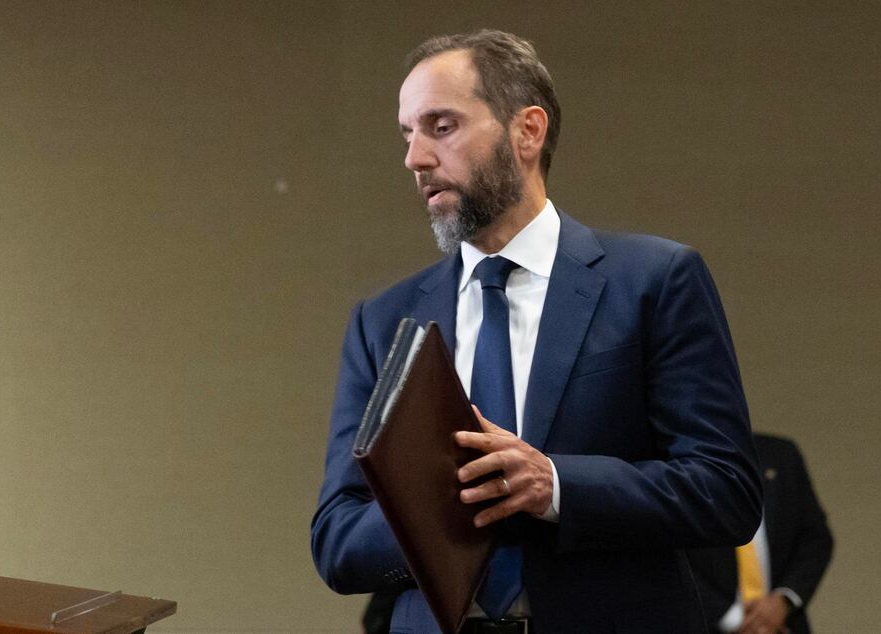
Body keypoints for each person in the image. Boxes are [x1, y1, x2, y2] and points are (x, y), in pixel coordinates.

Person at [311, 29, 763, 633]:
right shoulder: (384, 321)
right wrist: (439, 508)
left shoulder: (654, 281)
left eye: (441, 126)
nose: (415, 158)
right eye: (407, 134)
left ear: (527, 130)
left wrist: (554, 485)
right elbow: (337, 540)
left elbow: (726, 490)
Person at [688, 433, 833, 634]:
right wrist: (738, 621)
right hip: (706, 623)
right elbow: (671, 555)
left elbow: (815, 539)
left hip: (783, 624)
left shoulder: (781, 454)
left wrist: (783, 599)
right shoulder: (678, 461)